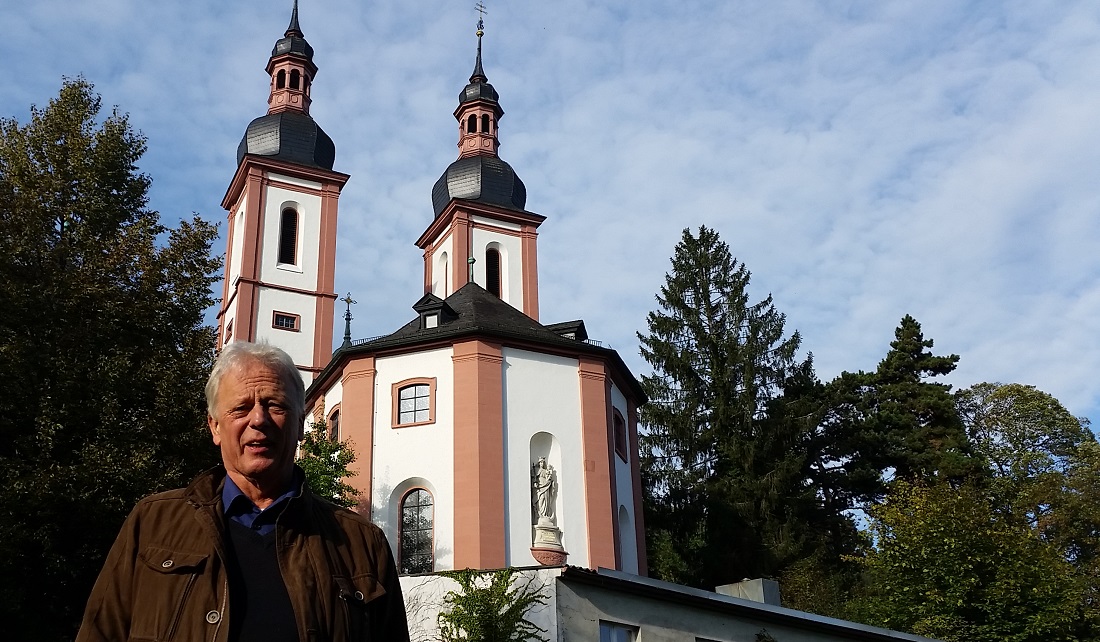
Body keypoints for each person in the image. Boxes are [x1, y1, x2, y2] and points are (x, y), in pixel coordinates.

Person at [76, 342, 409, 642]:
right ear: (215, 427)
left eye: (275, 405)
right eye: (240, 408)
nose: (259, 419)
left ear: (299, 425)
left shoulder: (361, 543)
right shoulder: (152, 523)